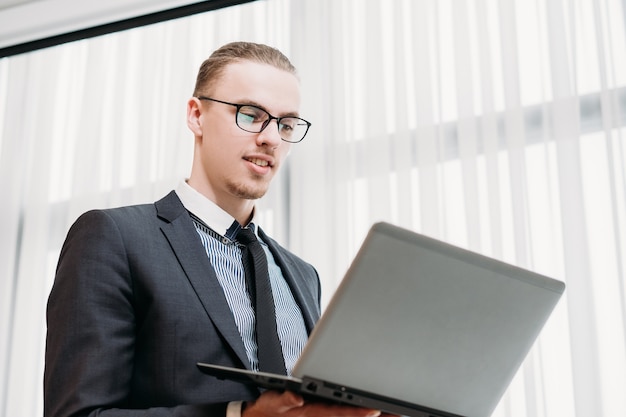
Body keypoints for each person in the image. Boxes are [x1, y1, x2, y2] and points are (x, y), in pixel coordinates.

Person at [44, 42, 385, 417]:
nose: (271, 138)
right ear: (196, 115)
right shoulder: (114, 238)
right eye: (250, 114)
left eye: (286, 124)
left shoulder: (304, 276)